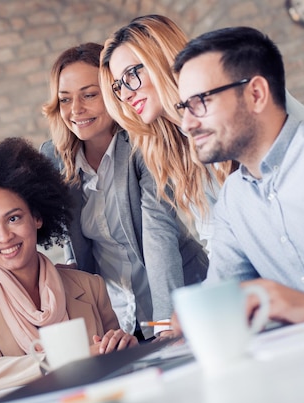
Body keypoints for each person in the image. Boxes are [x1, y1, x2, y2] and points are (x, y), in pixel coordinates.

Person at [172, 26, 304, 324]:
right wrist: (193, 316)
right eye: (184, 106)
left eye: (201, 102)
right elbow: (224, 292)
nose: (187, 123)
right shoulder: (233, 199)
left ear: (256, 94)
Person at [0, 137, 137, 393]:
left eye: (14, 218)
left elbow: (118, 369)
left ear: (37, 217)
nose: (4, 237)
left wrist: (122, 348)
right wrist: (58, 362)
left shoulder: (90, 286)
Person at [99, 15, 304, 250]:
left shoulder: (240, 94)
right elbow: (217, 238)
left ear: (160, 59)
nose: (125, 95)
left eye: (131, 74)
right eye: (118, 86)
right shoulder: (170, 150)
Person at [39, 43, 208, 341]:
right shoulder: (55, 159)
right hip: (121, 324)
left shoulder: (142, 144)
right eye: (65, 99)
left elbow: (159, 237)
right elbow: (75, 248)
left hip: (184, 302)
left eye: (89, 95)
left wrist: (166, 325)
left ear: (114, 93)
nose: (75, 110)